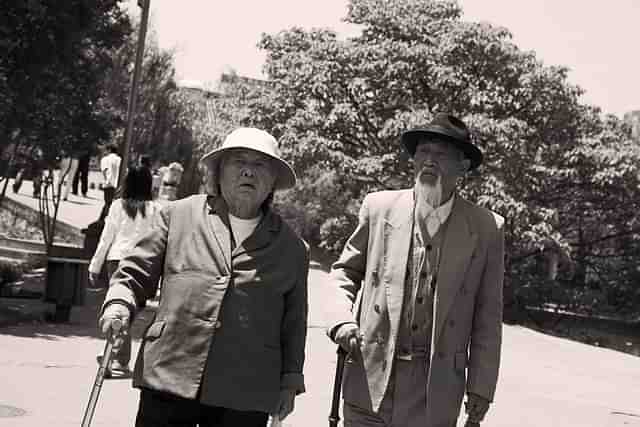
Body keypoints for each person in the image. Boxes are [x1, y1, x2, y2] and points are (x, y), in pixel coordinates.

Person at [98, 127, 309, 427]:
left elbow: (294, 321)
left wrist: (290, 381)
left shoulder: (292, 248)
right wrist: (119, 303)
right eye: (238, 161)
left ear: (273, 178)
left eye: (260, 164)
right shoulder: (176, 215)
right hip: (170, 371)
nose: (248, 171)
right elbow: (134, 274)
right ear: (219, 171)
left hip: (246, 389)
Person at [327, 113, 504, 427]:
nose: (429, 161)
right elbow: (344, 272)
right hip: (370, 377)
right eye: (423, 151)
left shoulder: (487, 227)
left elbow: (487, 315)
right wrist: (340, 320)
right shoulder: (379, 208)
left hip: (434, 393)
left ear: (463, 167)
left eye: (441, 154)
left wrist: (481, 386)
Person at [88, 164, 162, 376]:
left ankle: (114, 359)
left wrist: (95, 266)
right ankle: (117, 360)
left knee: (121, 311)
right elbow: (158, 242)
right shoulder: (155, 210)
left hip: (116, 260)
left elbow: (106, 238)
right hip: (142, 264)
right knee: (128, 312)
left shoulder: (117, 206)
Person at [100, 143, 122, 219]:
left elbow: (104, 171)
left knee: (108, 203)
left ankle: (103, 221)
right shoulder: (120, 159)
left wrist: (106, 180)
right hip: (119, 185)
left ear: (109, 150)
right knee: (114, 204)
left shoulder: (105, 159)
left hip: (109, 184)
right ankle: (103, 219)